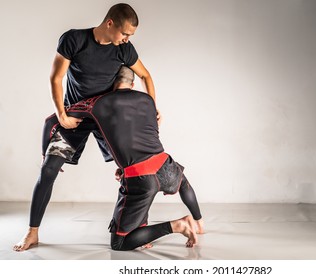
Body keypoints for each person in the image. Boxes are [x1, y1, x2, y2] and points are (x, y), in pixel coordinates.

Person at [14, 3, 158, 251]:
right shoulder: (74, 39)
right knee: (48, 170)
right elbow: (56, 77)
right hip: (76, 118)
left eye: (130, 37)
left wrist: (150, 109)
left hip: (108, 121)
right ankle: (32, 232)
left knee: (135, 169)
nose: (126, 40)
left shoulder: (124, 50)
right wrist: (62, 116)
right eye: (124, 34)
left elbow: (145, 76)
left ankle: (139, 225)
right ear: (110, 23)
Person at [43, 66, 204, 249]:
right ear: (133, 84)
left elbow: (51, 121)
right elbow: (138, 133)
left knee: (119, 243)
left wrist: (44, 153)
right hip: (166, 165)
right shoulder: (149, 100)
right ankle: (199, 223)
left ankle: (177, 225)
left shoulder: (98, 103)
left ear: (111, 82)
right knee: (183, 183)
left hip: (142, 178)